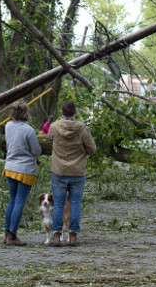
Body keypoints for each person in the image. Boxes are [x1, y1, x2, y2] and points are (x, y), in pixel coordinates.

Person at [49, 99, 96, 247]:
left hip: (59, 171)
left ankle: (56, 236)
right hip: (77, 172)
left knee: (58, 204)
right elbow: (92, 149)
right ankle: (73, 236)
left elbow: (50, 141)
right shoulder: (83, 129)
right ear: (75, 112)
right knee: (75, 203)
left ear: (62, 113)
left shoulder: (54, 127)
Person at [2, 101, 42, 246]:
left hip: (10, 167)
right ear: (26, 113)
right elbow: (37, 151)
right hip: (25, 169)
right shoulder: (29, 130)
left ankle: (6, 233)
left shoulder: (8, 126)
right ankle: (13, 235)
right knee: (19, 201)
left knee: (12, 200)